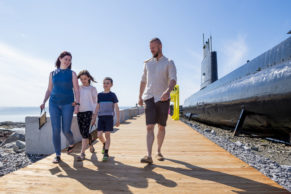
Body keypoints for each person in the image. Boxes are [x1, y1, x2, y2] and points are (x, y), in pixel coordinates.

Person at [138, 38, 177, 164]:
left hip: (163, 98)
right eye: (150, 48)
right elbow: (143, 80)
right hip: (149, 97)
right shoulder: (147, 63)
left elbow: (173, 79)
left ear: (160, 46)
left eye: (153, 48)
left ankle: (158, 151)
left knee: (161, 126)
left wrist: (168, 91)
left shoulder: (169, 62)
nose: (151, 50)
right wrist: (140, 96)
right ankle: (149, 155)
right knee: (149, 126)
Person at [40, 51, 80, 163]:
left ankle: (71, 142)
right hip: (54, 104)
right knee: (56, 130)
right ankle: (57, 155)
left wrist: (77, 103)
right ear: (60, 59)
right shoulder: (52, 73)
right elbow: (49, 89)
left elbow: (76, 89)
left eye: (69, 60)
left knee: (66, 129)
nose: (67, 62)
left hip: (68, 104)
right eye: (66, 59)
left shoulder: (72, 74)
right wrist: (43, 101)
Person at [91, 77, 120, 162]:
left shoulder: (112, 95)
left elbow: (116, 107)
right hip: (101, 118)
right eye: (104, 83)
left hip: (109, 118)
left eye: (107, 83)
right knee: (99, 135)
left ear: (111, 85)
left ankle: (106, 153)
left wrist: (118, 119)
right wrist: (94, 118)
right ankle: (104, 144)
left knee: (107, 135)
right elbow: (97, 107)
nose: (105, 85)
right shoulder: (99, 95)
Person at [76, 70, 98, 161]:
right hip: (79, 112)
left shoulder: (92, 89)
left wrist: (94, 115)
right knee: (83, 133)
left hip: (88, 112)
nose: (83, 80)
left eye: (85, 78)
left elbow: (95, 103)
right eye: (81, 79)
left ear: (89, 78)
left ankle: (82, 153)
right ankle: (91, 145)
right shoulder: (78, 88)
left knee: (84, 133)